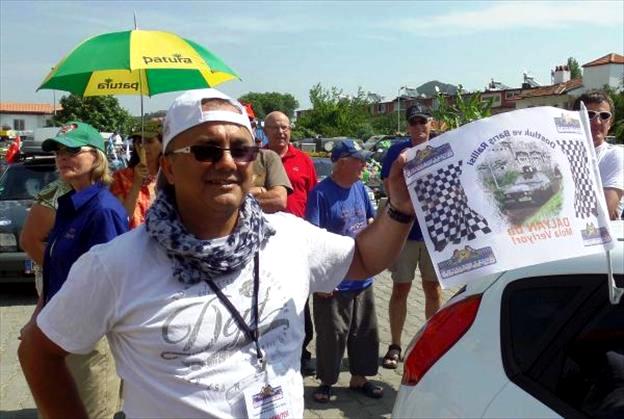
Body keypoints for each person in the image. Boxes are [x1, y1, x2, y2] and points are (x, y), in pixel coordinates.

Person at [18, 89, 416, 418]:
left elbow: (364, 258)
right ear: (169, 168)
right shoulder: (115, 264)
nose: (226, 162)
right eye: (206, 150)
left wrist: (398, 208)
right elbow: (39, 351)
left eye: (241, 150)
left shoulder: (288, 235)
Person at [19, 121, 129, 419]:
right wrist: (39, 316)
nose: (63, 157)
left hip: (88, 340)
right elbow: (57, 271)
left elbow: (112, 285)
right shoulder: (69, 205)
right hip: (61, 333)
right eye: (58, 152)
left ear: (97, 157)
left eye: (72, 151)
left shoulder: (103, 211)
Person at [306, 140, 383, 403]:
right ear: (341, 162)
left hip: (362, 277)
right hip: (334, 280)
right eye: (358, 159)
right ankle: (327, 381)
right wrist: (320, 281)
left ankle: (359, 378)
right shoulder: (320, 193)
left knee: (365, 331)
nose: (364, 164)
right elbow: (312, 239)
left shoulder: (360, 188)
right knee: (332, 334)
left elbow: (370, 221)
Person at [380, 104, 441, 369]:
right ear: (407, 126)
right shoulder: (397, 151)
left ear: (431, 123)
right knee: (400, 288)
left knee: (433, 289)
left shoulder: (442, 147)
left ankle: (433, 342)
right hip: (404, 231)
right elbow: (388, 187)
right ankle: (395, 345)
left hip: (434, 233)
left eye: (422, 121)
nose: (418, 127)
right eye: (413, 122)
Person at [264, 110, 318, 375]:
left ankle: (302, 350)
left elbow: (313, 196)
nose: (281, 132)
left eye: (285, 127)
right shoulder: (258, 159)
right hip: (266, 241)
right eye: (275, 127)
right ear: (265, 131)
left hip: (297, 240)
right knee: (269, 296)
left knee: (299, 297)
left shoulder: (304, 160)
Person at [573, 90, 624, 220]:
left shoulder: (615, 155)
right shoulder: (564, 154)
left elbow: (603, 213)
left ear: (610, 122)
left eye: (604, 116)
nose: (597, 122)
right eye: (589, 115)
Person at [20, 179, 72, 297]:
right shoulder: (56, 191)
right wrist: (63, 275)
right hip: (66, 280)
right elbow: (29, 241)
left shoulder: (108, 186)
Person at [242, 103, 292, 213]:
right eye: (241, 122)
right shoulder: (214, 157)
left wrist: (239, 198)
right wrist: (258, 191)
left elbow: (278, 200)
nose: (247, 127)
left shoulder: (268, 157)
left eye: (251, 123)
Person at [110, 125, 162, 228]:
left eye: (149, 141)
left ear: (162, 144)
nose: (143, 147)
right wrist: (136, 184)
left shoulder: (171, 176)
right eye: (139, 142)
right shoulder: (120, 177)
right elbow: (122, 219)